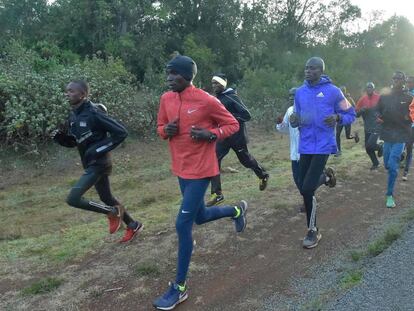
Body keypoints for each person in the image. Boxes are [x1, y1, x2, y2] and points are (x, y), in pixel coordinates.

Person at [153, 55, 248, 310]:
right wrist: (166, 132)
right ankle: (236, 210)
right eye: (168, 73)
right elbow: (160, 126)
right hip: (180, 168)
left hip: (202, 169)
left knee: (183, 224)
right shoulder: (166, 99)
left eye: (175, 74)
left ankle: (180, 287)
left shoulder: (207, 100)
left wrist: (211, 134)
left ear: (188, 76)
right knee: (200, 216)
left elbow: (232, 124)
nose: (170, 78)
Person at [52, 80, 143, 243]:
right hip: (89, 163)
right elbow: (76, 142)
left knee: (73, 199)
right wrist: (61, 139)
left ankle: (111, 212)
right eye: (67, 91)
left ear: (83, 94)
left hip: (100, 164)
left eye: (71, 91)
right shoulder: (73, 114)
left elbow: (121, 132)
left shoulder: (94, 112)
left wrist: (97, 150)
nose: (67, 94)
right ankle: (133, 225)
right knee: (107, 198)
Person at [290, 57, 356, 249]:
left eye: (312, 69)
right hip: (305, 145)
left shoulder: (333, 92)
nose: (307, 71)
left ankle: (313, 231)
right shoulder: (300, 93)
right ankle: (326, 177)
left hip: (324, 145)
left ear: (320, 71)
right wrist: (295, 120)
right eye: (306, 68)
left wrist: (337, 117)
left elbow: (351, 114)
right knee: (303, 187)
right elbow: (298, 117)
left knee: (307, 189)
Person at [206, 74, 269, 207]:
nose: (214, 86)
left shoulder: (231, 97)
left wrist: (229, 118)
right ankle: (217, 194)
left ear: (223, 83)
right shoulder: (217, 98)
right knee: (213, 159)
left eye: (217, 83)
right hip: (223, 137)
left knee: (246, 161)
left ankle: (263, 175)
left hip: (237, 137)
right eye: (212, 83)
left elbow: (247, 115)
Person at [276, 87, 336, 213]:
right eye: (291, 97)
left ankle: (309, 202)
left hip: (309, 152)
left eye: (295, 96)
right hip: (295, 154)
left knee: (306, 184)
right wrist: (279, 124)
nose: (293, 99)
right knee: (299, 182)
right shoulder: (290, 111)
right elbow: (285, 129)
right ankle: (325, 178)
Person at [378, 71, 413, 208]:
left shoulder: (409, 97)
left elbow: (413, 114)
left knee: (392, 166)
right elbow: (378, 110)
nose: (396, 81)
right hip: (387, 134)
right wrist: (378, 116)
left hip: (401, 134)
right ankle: (396, 156)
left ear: (403, 81)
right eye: (394, 78)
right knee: (387, 164)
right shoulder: (385, 96)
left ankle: (389, 195)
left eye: (399, 79)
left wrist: (409, 117)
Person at [355, 82, 383, 170]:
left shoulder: (379, 98)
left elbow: (385, 110)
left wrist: (381, 116)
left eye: (371, 88)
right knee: (368, 148)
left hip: (377, 125)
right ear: (366, 89)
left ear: (374, 89)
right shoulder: (362, 99)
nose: (369, 89)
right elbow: (356, 114)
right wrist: (361, 110)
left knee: (370, 144)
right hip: (367, 126)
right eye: (368, 88)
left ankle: (380, 147)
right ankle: (376, 163)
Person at [335, 86, 359, 156]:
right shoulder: (337, 99)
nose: (341, 92)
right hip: (339, 119)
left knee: (347, 136)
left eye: (343, 91)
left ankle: (355, 136)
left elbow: (354, 107)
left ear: (345, 91)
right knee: (337, 134)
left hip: (347, 119)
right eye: (341, 91)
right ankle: (339, 151)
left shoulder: (348, 99)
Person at [402, 76, 414, 180]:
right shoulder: (404, 93)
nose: (408, 84)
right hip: (406, 125)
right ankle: (405, 167)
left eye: (410, 82)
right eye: (407, 82)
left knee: (409, 147)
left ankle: (406, 171)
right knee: (407, 145)